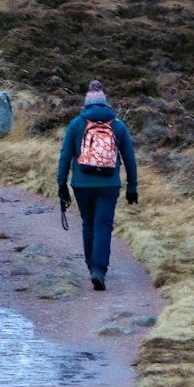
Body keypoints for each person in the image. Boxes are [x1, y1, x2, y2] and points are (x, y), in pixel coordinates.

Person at [57, 80, 138, 291]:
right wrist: (132, 187)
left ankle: (91, 265)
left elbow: (65, 156)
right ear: (105, 104)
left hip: (81, 184)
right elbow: (129, 159)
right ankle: (99, 270)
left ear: (86, 105)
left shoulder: (76, 124)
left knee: (88, 224)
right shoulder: (118, 126)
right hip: (109, 185)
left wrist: (61, 184)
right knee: (103, 225)